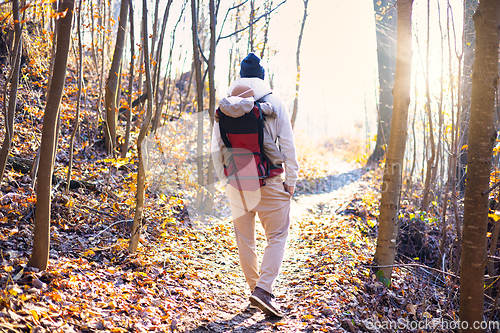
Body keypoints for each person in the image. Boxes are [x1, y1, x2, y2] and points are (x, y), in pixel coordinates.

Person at [211, 52, 299, 317]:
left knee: (245, 240)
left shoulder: (225, 106)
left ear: (240, 75)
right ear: (262, 77)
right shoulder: (274, 102)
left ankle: (255, 291)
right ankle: (263, 291)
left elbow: (216, 147)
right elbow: (288, 145)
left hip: (238, 181)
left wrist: (224, 178)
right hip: (269, 179)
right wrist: (291, 181)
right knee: (278, 235)